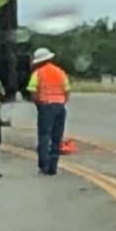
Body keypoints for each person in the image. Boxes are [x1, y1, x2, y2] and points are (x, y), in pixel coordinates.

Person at [26, 47, 70, 176]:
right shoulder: (60, 72)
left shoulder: (38, 73)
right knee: (57, 137)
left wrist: (39, 103)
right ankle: (53, 166)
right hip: (60, 106)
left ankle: (44, 165)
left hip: (46, 106)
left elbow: (33, 91)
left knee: (45, 136)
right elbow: (67, 91)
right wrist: (61, 102)